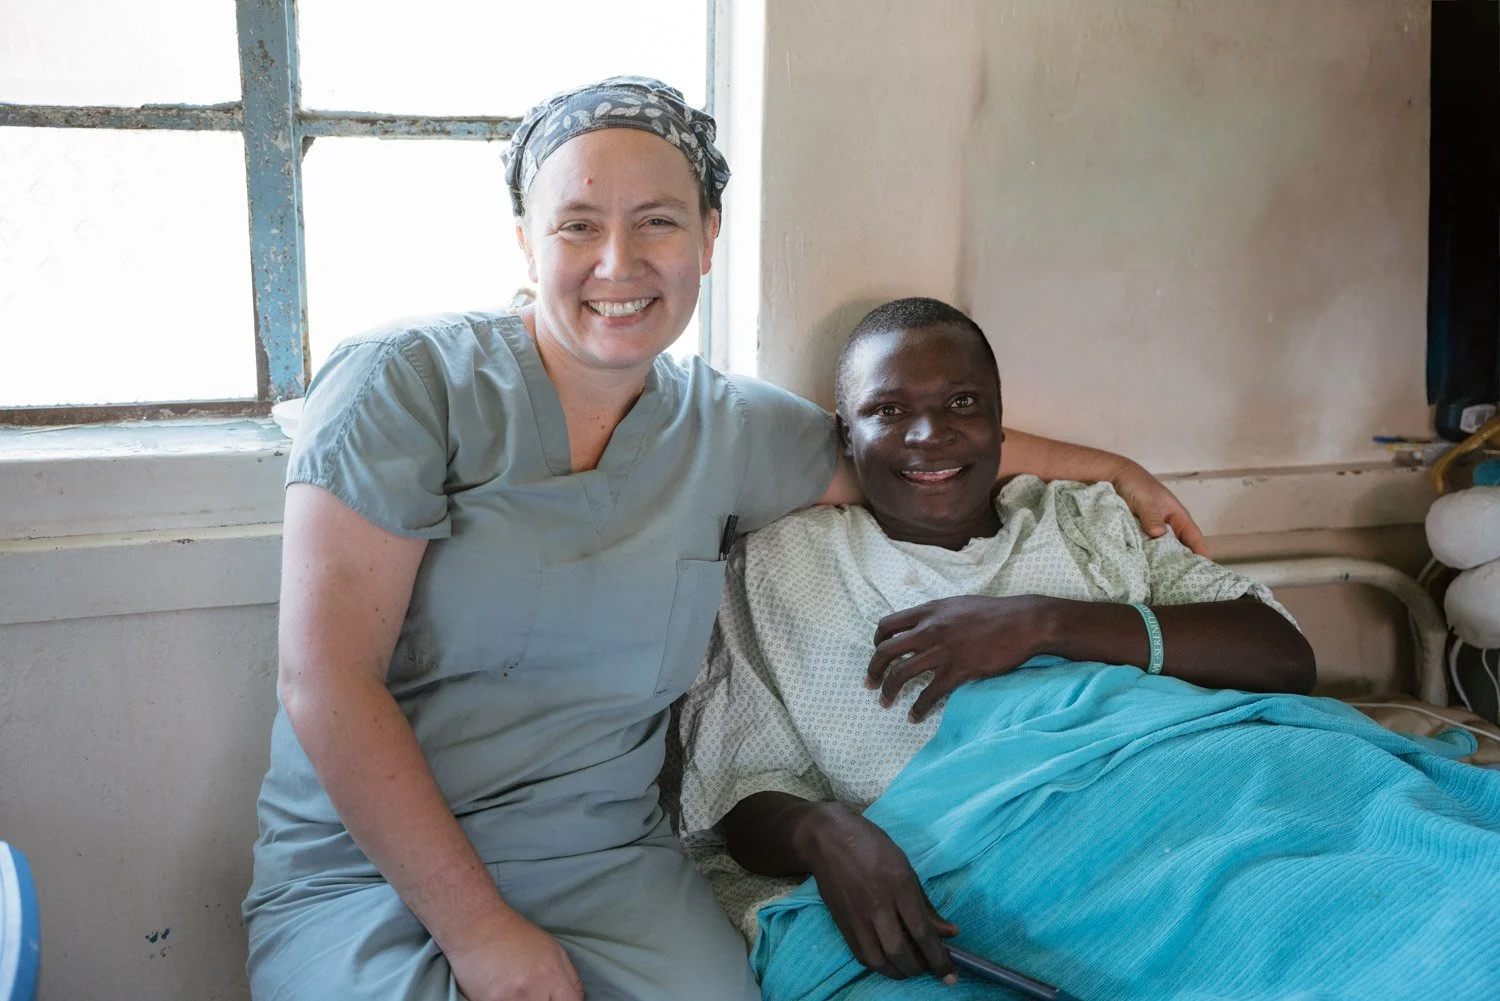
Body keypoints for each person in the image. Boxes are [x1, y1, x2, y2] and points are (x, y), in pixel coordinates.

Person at [242, 80, 1208, 1001]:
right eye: (578, 225)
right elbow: (326, 682)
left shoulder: (725, 428)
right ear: (527, 241)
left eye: (657, 221)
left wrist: (1114, 468)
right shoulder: (402, 384)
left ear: (707, 238)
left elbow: (915, 448)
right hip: (373, 867)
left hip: (606, 866)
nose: (618, 263)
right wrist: (482, 933)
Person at [676, 297, 1500, 1001]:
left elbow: (1283, 655)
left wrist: (1044, 622)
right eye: (888, 411)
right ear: (843, 435)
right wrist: (824, 831)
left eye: (963, 402)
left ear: (1002, 426)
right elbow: (737, 781)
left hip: (1242, 781)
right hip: (1039, 853)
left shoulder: (1083, 520)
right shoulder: (782, 566)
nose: (930, 434)